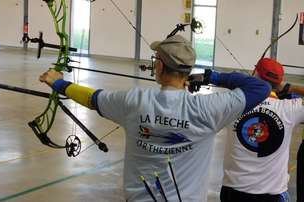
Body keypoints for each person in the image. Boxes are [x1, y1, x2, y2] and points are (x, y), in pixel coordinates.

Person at [39, 35, 270, 202]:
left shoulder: (134, 101)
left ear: (159, 66)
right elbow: (260, 87)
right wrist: (213, 76)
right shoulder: (209, 108)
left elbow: (92, 98)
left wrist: (57, 82)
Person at [221, 58, 304, 202]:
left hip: (233, 192)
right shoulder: (290, 108)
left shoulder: (232, 103)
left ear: (255, 75)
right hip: (272, 195)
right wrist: (291, 88)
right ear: (279, 83)